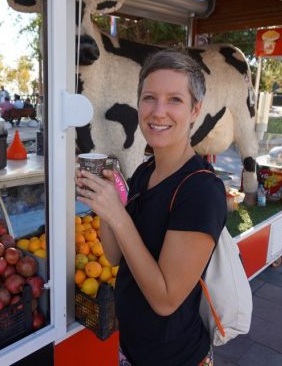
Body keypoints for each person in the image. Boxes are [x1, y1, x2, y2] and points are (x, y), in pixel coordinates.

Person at [76, 49, 226, 366]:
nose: (158, 112)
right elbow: (115, 256)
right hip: (131, 351)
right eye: (149, 98)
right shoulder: (145, 172)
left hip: (176, 358)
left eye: (174, 99)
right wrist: (106, 206)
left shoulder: (200, 191)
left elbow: (166, 300)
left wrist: (118, 215)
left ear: (195, 110)